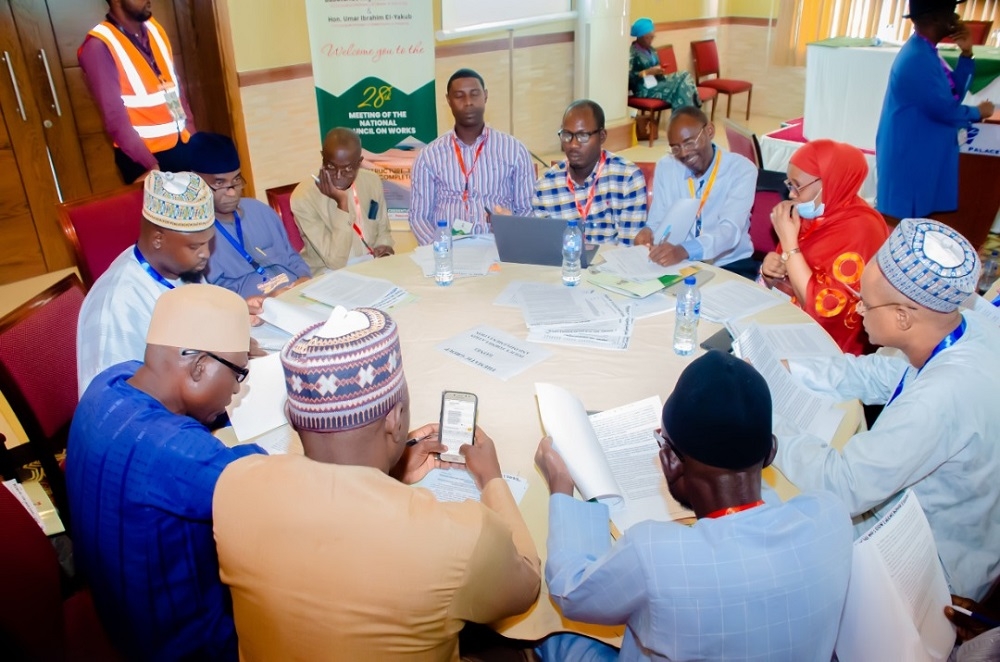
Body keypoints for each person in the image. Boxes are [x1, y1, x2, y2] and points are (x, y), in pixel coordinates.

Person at [213, 306, 541, 660]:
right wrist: (492, 479)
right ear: (396, 419)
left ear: (293, 419)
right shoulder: (457, 535)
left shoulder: (234, 485)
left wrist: (390, 470)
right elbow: (525, 585)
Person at [533, 350, 853, 661]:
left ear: (669, 461)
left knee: (550, 630)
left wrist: (561, 485)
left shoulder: (654, 556)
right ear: (770, 453)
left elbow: (569, 592)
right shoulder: (831, 517)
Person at [774, 218, 1000, 601]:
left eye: (866, 300)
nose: (858, 307)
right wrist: (788, 370)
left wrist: (766, 427)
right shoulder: (963, 326)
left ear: (903, 317)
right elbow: (882, 372)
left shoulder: (942, 396)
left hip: (928, 568)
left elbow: (844, 485)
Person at [67, 284, 266, 661]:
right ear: (198, 367)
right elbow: (274, 485)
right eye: (239, 373)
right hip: (183, 645)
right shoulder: (178, 452)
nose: (237, 390)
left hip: (113, 605)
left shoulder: (106, 385)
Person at [76, 170, 216, 395]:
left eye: (208, 242)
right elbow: (115, 406)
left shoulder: (183, 267)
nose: (206, 254)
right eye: (195, 246)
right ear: (158, 239)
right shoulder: (118, 304)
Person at [760, 139, 890, 355]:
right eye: (789, 184)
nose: (791, 194)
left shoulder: (862, 229)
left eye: (797, 186)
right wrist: (769, 271)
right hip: (787, 324)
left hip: (831, 350)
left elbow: (825, 310)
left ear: (830, 182)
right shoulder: (812, 214)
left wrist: (790, 245)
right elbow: (783, 274)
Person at [875, 0, 995, 221]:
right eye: (951, 12)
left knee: (918, 217)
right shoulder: (918, 58)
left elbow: (953, 94)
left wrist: (967, 54)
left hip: (920, 146)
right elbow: (946, 110)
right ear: (935, 19)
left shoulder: (925, 50)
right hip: (910, 151)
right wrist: (978, 112)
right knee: (904, 222)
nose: (956, 19)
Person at [410, 69, 535, 245]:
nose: (468, 102)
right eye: (459, 96)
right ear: (448, 100)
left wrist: (510, 228)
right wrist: (442, 251)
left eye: (474, 94)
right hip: (449, 252)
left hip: (499, 250)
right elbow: (419, 217)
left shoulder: (515, 151)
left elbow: (527, 210)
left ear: (485, 96)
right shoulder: (429, 156)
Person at [79, 0, 197, 184]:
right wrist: (151, 166)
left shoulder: (155, 30)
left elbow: (176, 87)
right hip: (145, 158)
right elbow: (114, 118)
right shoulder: (98, 46)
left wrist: (194, 137)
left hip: (182, 145)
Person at [635, 106, 758, 280]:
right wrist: (648, 232)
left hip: (729, 263)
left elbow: (729, 231)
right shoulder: (667, 166)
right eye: (675, 148)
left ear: (709, 131)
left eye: (690, 142)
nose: (684, 153)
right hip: (680, 263)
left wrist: (685, 250)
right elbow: (658, 218)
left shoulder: (742, 170)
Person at [190, 132, 311, 297]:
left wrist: (304, 279)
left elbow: (292, 257)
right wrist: (265, 299)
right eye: (220, 183)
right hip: (251, 312)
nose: (232, 193)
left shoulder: (260, 211)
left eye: (236, 181)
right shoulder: (194, 234)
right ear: (197, 182)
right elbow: (214, 296)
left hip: (296, 295)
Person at [533, 100, 647, 244]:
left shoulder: (627, 178)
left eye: (583, 136)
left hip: (612, 264)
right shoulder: (545, 187)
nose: (573, 144)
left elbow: (628, 248)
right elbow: (545, 247)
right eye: (567, 135)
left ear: (602, 136)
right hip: (565, 264)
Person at [290, 127, 395, 272]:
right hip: (327, 273)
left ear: (359, 162)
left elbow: (383, 230)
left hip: (370, 264)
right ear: (322, 157)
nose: (338, 176)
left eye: (347, 169)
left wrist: (385, 247)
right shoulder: (304, 197)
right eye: (331, 166)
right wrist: (342, 204)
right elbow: (335, 262)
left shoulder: (372, 181)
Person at [628, 18, 700, 112]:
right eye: (647, 38)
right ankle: (691, 113)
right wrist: (646, 72)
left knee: (685, 76)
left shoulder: (651, 50)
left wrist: (659, 70)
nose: (650, 40)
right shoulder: (632, 53)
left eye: (652, 37)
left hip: (657, 82)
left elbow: (655, 66)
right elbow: (628, 78)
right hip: (644, 88)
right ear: (639, 37)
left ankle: (685, 116)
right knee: (681, 86)